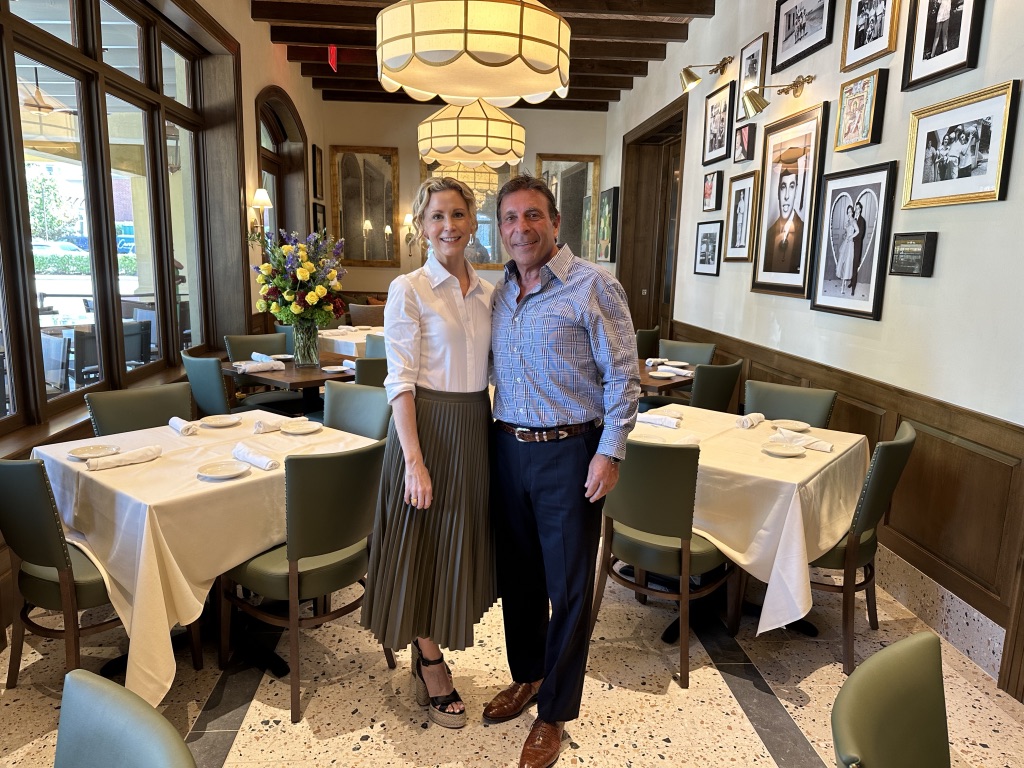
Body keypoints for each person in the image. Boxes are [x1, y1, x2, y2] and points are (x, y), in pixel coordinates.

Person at [486, 175, 640, 768]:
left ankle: (553, 712)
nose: (520, 228)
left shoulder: (593, 285)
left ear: (555, 223)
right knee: (519, 579)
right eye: (508, 219)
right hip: (507, 447)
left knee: (569, 586)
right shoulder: (498, 293)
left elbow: (624, 375)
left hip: (568, 453)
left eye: (531, 216)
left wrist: (610, 451)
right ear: (499, 229)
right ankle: (526, 676)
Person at [361, 177, 495, 730]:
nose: (449, 226)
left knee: (456, 544)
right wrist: (413, 461)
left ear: (473, 222)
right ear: (422, 226)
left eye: (458, 215)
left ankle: (434, 644)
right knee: (421, 545)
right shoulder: (408, 289)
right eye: (437, 216)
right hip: (425, 432)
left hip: (474, 427)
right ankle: (431, 661)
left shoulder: (490, 293)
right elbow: (401, 382)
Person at [763, 155, 805, 274]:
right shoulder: (769, 233)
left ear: (796, 191)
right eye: (783, 187)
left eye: (791, 187)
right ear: (778, 192)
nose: (786, 196)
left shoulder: (803, 231)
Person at [835, 205, 857, 293]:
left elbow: (858, 231)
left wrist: (851, 236)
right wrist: (846, 234)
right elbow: (846, 232)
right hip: (845, 243)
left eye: (850, 212)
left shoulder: (854, 221)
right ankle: (842, 285)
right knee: (842, 262)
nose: (849, 214)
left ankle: (843, 286)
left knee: (847, 262)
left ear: (852, 212)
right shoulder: (848, 221)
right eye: (847, 212)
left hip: (850, 243)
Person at [850, 201, 867, 294]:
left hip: (857, 245)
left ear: (860, 209)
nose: (856, 210)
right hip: (850, 245)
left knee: (855, 264)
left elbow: (860, 235)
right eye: (855, 208)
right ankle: (851, 281)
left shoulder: (862, 221)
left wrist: (852, 238)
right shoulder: (852, 219)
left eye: (858, 208)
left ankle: (853, 287)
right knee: (850, 263)